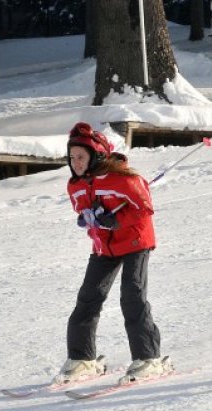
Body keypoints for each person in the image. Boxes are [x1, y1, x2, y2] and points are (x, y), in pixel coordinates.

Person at [54, 122, 172, 385]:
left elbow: (144, 209)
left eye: (81, 157)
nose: (76, 163)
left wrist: (114, 220)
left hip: (134, 243)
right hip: (103, 246)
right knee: (88, 298)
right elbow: (80, 208)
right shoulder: (75, 186)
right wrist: (88, 217)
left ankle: (148, 358)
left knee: (132, 296)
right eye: (72, 157)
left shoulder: (125, 180)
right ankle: (81, 359)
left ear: (96, 156)